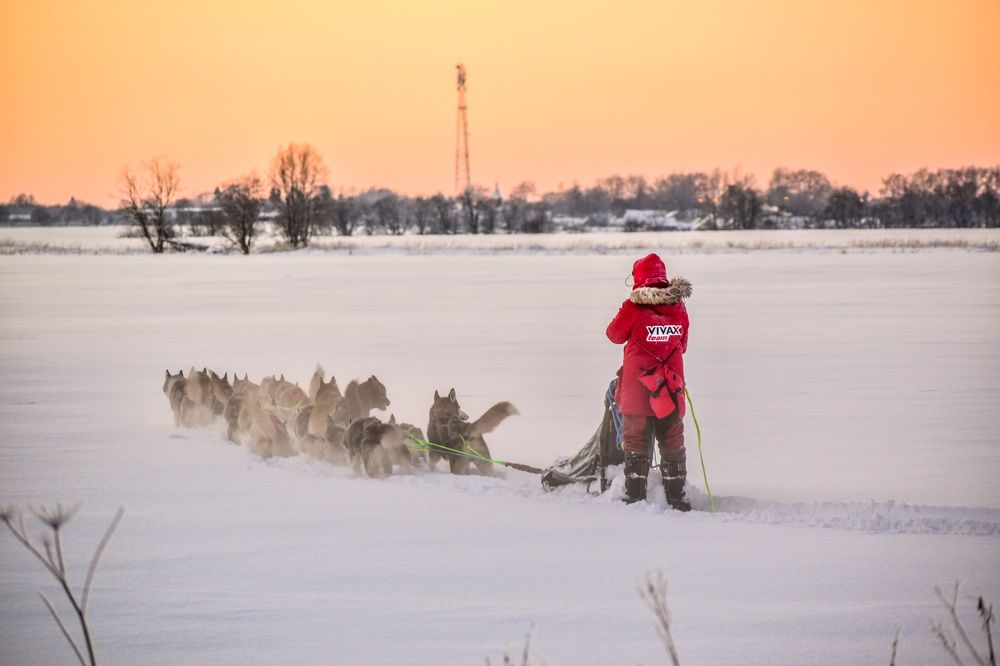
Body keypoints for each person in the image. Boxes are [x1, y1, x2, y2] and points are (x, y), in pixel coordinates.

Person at [606, 253, 692, 510]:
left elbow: (613, 335)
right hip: (670, 387)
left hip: (637, 388)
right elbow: (683, 345)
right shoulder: (679, 308)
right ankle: (677, 497)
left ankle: (634, 498)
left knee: (635, 440)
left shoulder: (632, 307)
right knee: (673, 438)